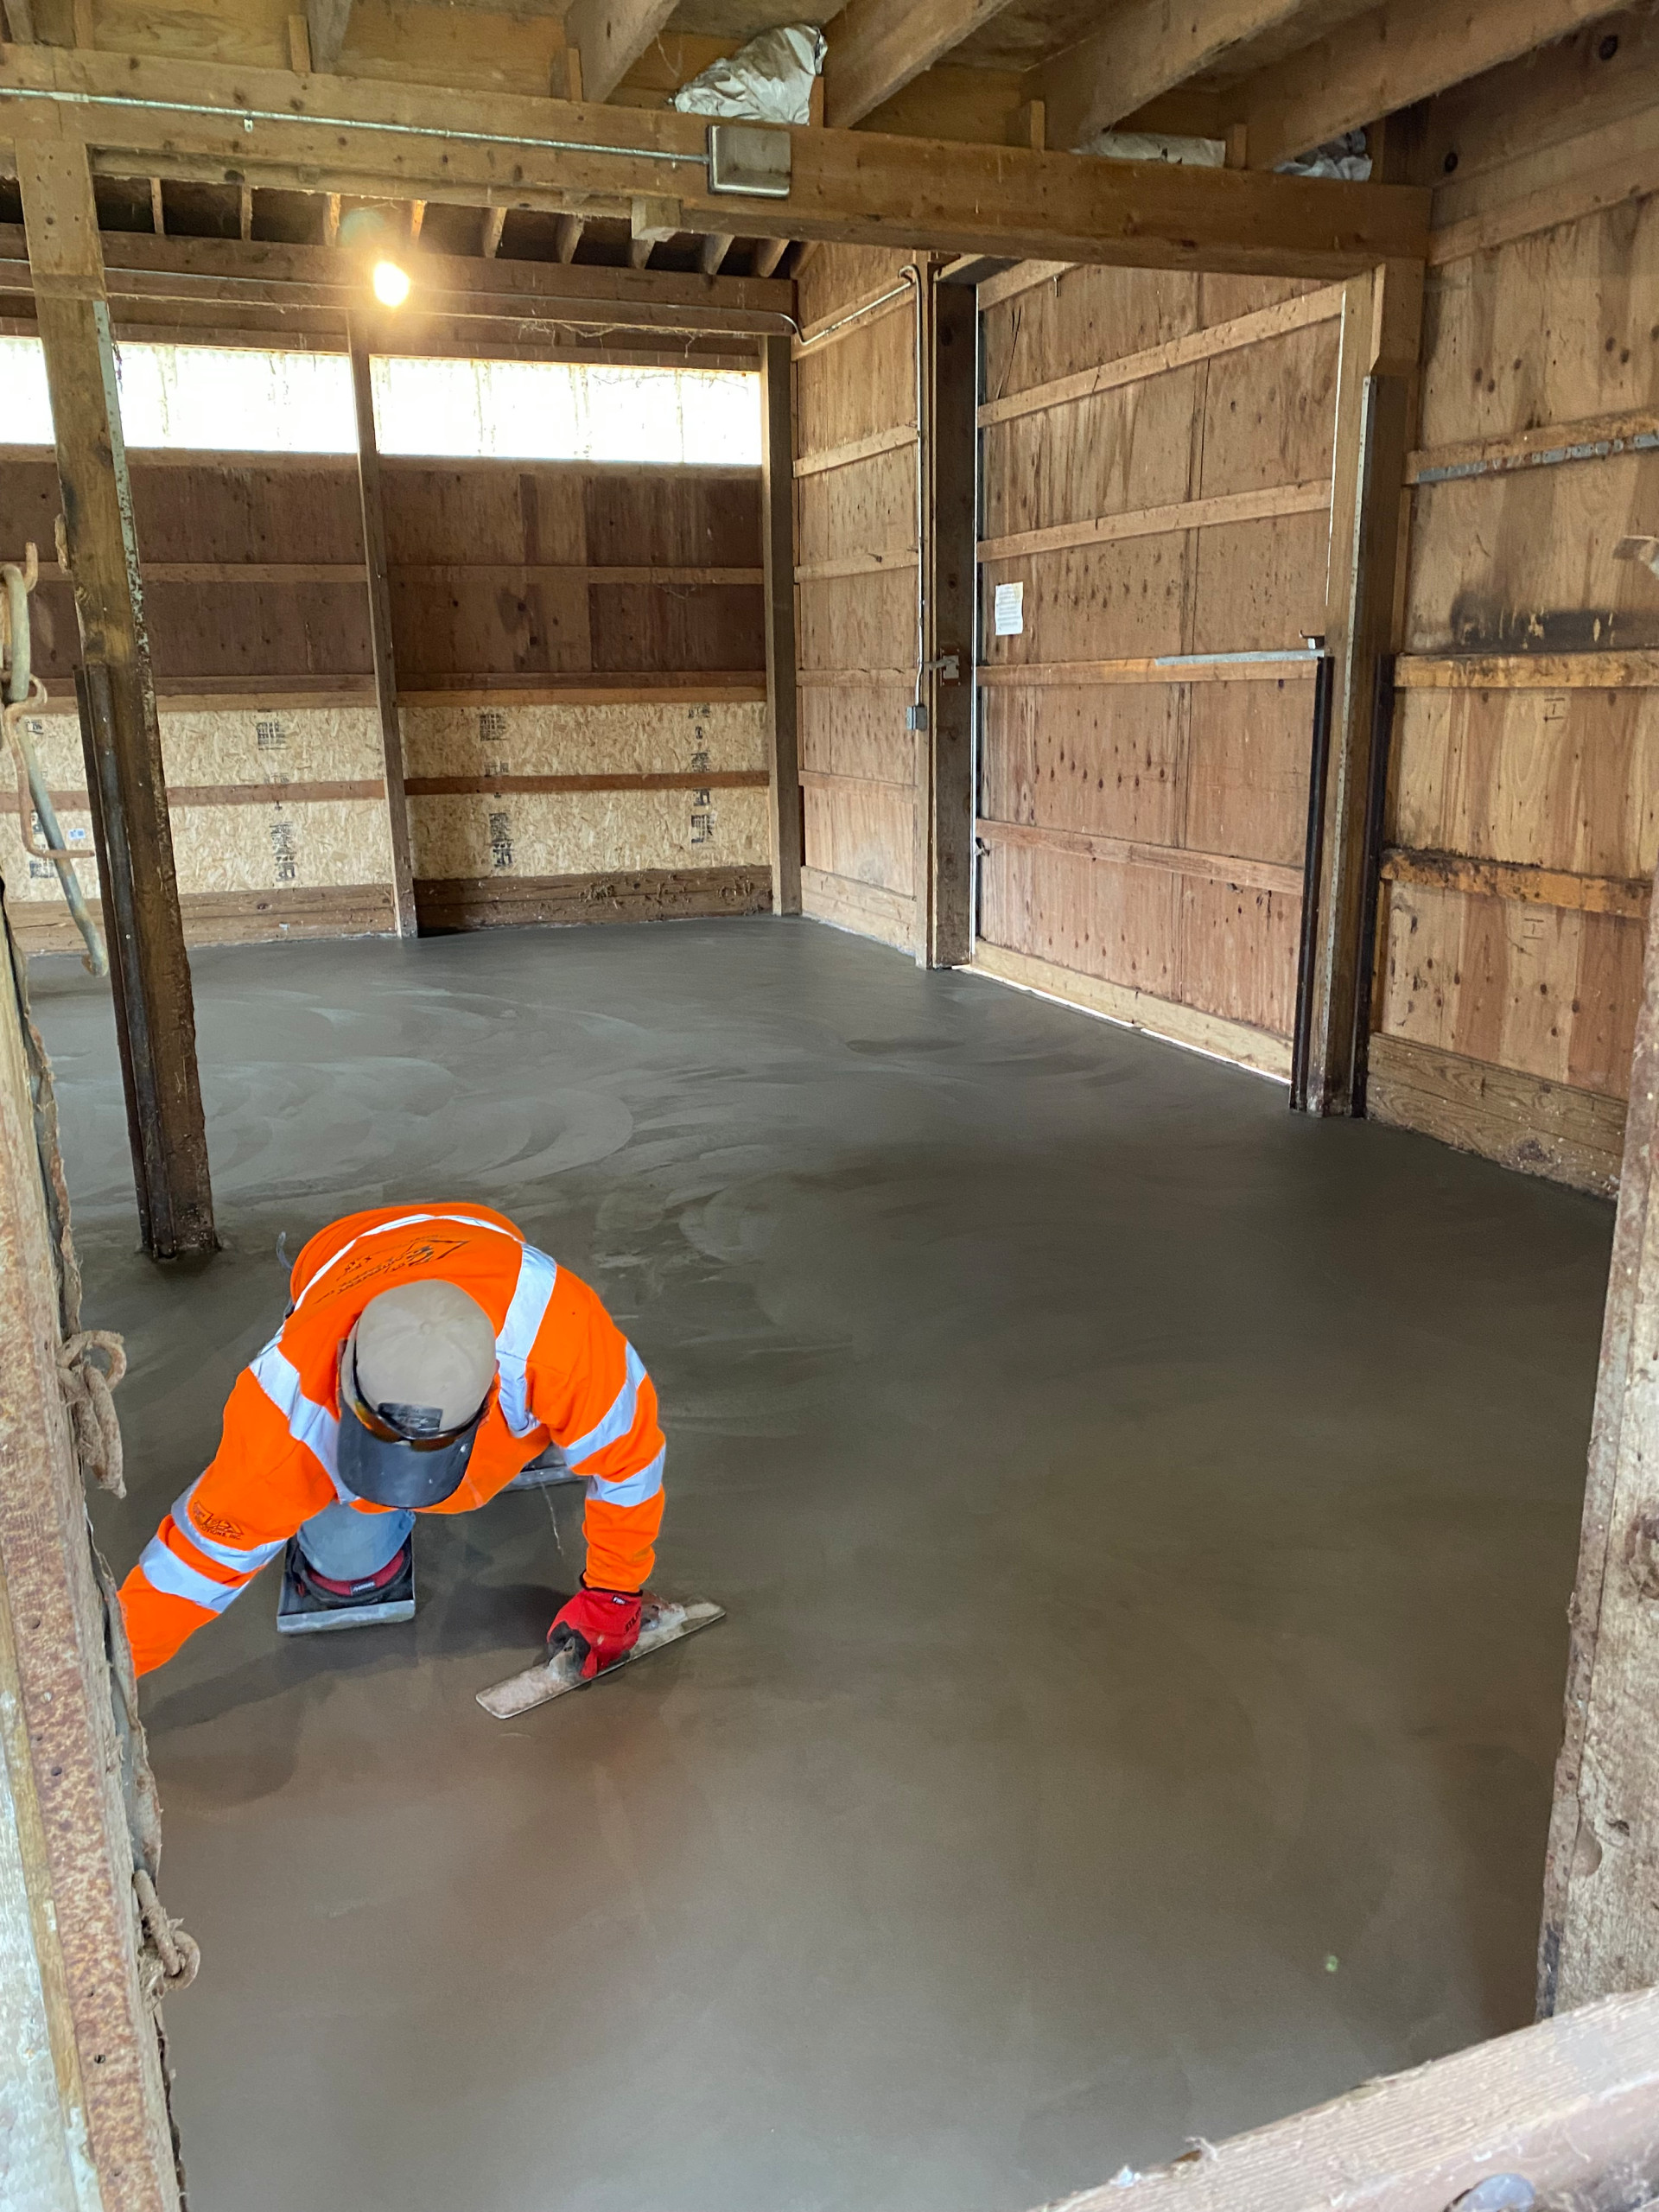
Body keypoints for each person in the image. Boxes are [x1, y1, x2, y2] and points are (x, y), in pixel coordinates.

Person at [118, 1203, 664, 1681]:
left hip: (477, 1240)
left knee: (581, 1425)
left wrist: (615, 1589)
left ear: (493, 1390)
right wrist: (96, 1678)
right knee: (348, 1564)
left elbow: (630, 1465)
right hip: (343, 1255)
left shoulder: (563, 1340)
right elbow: (192, 1565)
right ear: (342, 1371)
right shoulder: (284, 1412)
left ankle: (531, 1433)